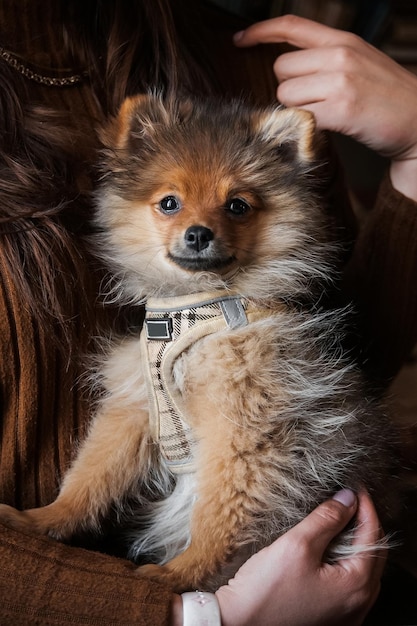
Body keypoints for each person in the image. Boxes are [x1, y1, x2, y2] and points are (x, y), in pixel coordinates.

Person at [0, 4, 415, 624]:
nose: (200, 227)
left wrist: (415, 152)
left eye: (238, 206)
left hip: (302, 577)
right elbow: (132, 420)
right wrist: (194, 610)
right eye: (170, 203)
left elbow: (352, 358)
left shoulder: (249, 58)